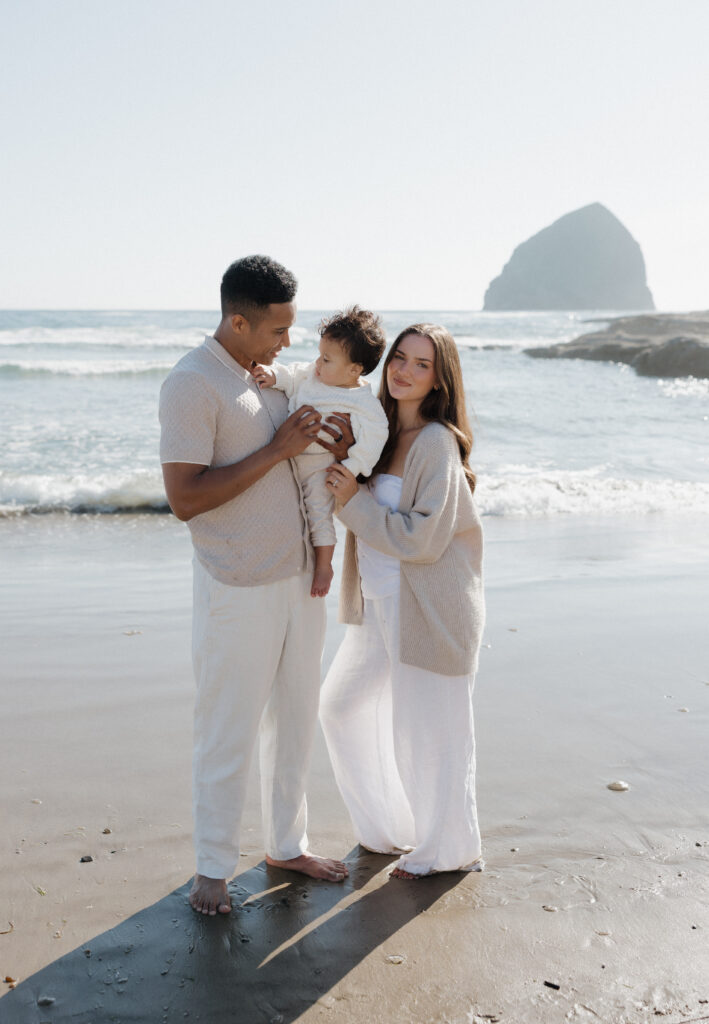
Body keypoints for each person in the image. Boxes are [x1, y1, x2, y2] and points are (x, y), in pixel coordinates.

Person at [159, 255, 351, 916]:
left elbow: (308, 455)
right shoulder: (191, 384)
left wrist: (339, 438)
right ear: (236, 320)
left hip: (300, 577)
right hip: (235, 583)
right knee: (227, 726)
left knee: (297, 718)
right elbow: (185, 498)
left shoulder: (270, 379)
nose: (287, 342)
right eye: (276, 329)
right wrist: (273, 449)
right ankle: (212, 866)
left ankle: (286, 843)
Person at [320, 323, 485, 879]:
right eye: (400, 358)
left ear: (439, 379)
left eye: (421, 364)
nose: (404, 371)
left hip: (428, 610)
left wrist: (351, 504)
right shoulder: (382, 434)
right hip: (377, 604)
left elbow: (421, 539)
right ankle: (390, 829)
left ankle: (447, 849)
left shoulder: (436, 442)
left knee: (430, 731)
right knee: (341, 707)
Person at [252, 306, 389, 598]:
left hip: (320, 464)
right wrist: (273, 376)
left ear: (354, 370)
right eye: (319, 354)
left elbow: (376, 436)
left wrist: (352, 467)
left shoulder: (363, 402)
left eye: (327, 359)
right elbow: (291, 375)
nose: (317, 362)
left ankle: (324, 565)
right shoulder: (312, 375)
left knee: (318, 513)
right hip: (286, 455)